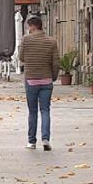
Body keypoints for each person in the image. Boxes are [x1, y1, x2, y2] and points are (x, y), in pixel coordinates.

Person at [17, 15, 59, 151]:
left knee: (33, 111)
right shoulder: (52, 41)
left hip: (31, 80)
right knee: (45, 110)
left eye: (29, 27)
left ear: (32, 26)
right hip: (47, 80)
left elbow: (21, 57)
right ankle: (45, 139)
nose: (28, 30)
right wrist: (53, 77)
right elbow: (56, 62)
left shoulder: (26, 39)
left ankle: (31, 141)